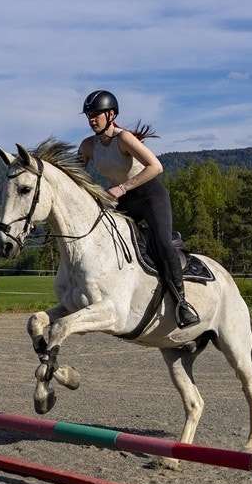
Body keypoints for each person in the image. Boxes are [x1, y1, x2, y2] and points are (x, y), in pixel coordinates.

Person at [76, 90, 198, 328]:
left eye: (96, 114)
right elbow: (75, 176)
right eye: (89, 115)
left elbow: (156, 166)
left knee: (163, 243)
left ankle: (182, 304)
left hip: (150, 195)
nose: (92, 119)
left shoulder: (124, 138)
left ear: (111, 115)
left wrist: (122, 187)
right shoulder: (88, 145)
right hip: (124, 201)